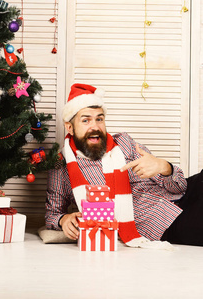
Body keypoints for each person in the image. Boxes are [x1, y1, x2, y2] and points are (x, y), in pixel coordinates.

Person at [46, 83, 203, 247]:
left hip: (186, 192)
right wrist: (63, 220)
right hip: (163, 221)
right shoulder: (61, 167)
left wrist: (163, 167)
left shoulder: (124, 142)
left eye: (99, 119)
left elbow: (180, 186)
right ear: (70, 127)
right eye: (86, 120)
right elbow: (52, 214)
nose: (95, 127)